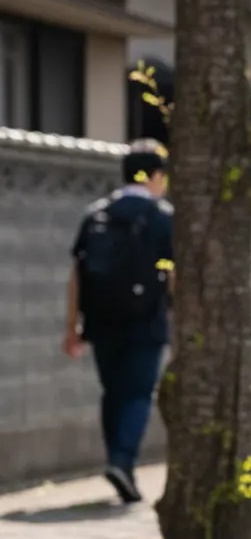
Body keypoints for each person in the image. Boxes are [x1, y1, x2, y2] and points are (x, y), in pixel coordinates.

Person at [64, 141, 175, 504]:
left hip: (100, 321)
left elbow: (77, 275)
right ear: (155, 175)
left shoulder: (97, 214)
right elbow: (175, 276)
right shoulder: (162, 217)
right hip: (146, 322)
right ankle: (121, 461)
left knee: (113, 392)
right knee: (139, 393)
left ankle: (117, 461)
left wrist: (72, 327)